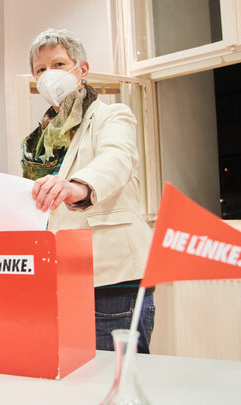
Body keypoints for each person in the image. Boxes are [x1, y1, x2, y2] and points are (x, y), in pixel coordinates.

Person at [22, 28, 155, 353]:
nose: (49, 75)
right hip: (60, 278)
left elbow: (117, 158)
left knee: (116, 383)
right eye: (40, 70)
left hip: (112, 281)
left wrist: (77, 186)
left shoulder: (112, 116)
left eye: (58, 64)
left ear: (82, 69)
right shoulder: (36, 142)